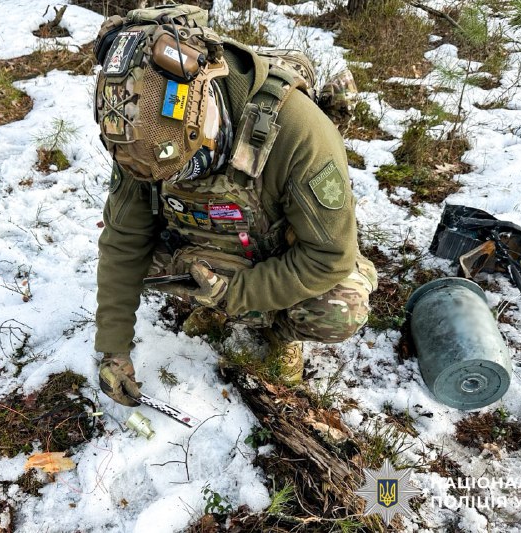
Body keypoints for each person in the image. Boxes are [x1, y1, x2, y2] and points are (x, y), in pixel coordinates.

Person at [91, 5, 377, 406]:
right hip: (208, 248)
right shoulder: (141, 138)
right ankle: (215, 303)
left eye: (187, 164)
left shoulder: (301, 133)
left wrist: (234, 294)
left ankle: (279, 335)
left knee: (339, 308)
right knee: (142, 266)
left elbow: (329, 257)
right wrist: (114, 349)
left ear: (209, 114)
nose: (175, 178)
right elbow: (124, 239)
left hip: (277, 253)